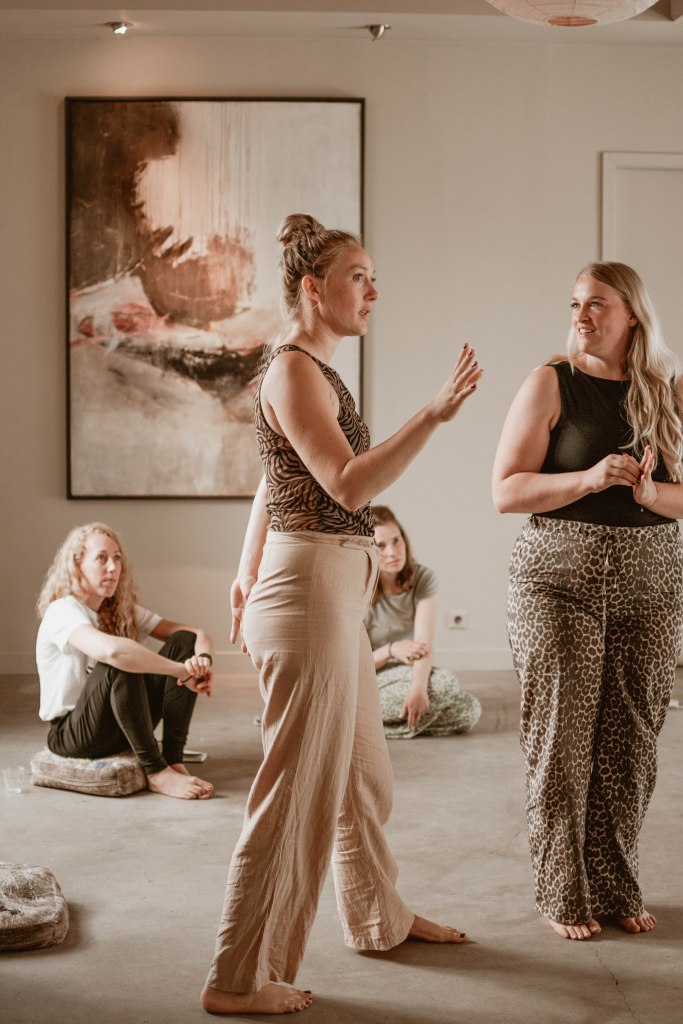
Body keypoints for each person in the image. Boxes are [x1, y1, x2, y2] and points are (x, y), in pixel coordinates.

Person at [200, 213, 483, 1015]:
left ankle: (377, 917)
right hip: (310, 594)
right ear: (312, 288)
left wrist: (244, 566)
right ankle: (235, 978)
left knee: (361, 778)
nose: (372, 291)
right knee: (294, 794)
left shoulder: (311, 370)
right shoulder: (294, 371)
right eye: (358, 276)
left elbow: (273, 479)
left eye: (371, 277)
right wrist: (431, 414)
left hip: (325, 589)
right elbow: (349, 485)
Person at [492, 261, 683, 941]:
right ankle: (562, 892)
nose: (580, 315)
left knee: (630, 747)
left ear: (631, 314)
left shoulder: (669, 389)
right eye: (575, 303)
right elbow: (505, 490)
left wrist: (649, 494)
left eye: (596, 303)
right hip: (556, 583)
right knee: (562, 743)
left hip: (651, 587)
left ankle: (613, 882)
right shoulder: (552, 382)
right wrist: (589, 477)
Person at [36, 522, 215, 800]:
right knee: (120, 659)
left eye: (117, 558)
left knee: (183, 642)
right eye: (101, 558)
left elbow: (197, 635)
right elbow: (112, 652)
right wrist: (181, 671)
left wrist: (201, 662)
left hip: (118, 723)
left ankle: (173, 759)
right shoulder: (62, 611)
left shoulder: (117, 608)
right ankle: (156, 772)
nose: (112, 567)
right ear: (77, 564)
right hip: (73, 735)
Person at [365, 505, 481, 738]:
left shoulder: (422, 578)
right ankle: (365, 721)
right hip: (369, 674)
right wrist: (390, 650)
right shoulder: (359, 586)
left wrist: (418, 690)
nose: (392, 552)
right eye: (381, 546)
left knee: (469, 710)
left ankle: (370, 726)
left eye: (396, 541)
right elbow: (353, 663)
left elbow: (423, 644)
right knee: (447, 685)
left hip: (407, 670)